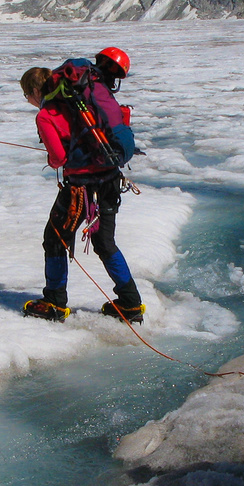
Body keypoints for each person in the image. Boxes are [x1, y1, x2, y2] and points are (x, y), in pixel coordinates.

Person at [19, 48, 143, 322]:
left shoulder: (46, 115)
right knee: (105, 242)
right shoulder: (81, 101)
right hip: (110, 178)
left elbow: (58, 158)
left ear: (34, 92)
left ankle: (54, 302)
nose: (28, 101)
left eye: (26, 95)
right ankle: (131, 303)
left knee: (54, 239)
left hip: (80, 188)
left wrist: (53, 160)